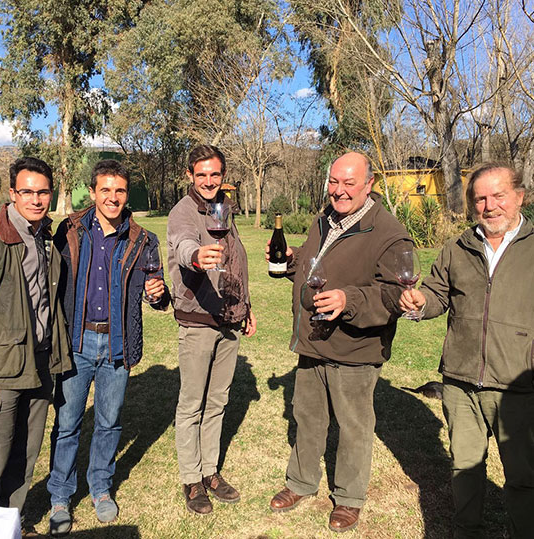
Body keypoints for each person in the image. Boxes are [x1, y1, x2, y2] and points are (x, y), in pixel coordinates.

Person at [267, 151, 411, 533]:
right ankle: (300, 482)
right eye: (334, 181)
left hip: (354, 347)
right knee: (307, 416)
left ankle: (348, 498)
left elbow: (397, 294)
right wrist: (293, 259)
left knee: (353, 426)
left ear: (369, 185)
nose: (339, 190)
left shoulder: (389, 233)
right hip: (314, 340)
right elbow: (317, 264)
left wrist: (350, 300)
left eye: (349, 183)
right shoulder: (325, 219)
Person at [399, 162, 534, 539]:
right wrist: (420, 303)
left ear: (519, 197)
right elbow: (437, 294)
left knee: (524, 477)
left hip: (518, 387)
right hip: (460, 382)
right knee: (465, 469)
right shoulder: (457, 247)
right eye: (480, 198)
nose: (489, 206)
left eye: (498, 196)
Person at [47, 159, 168, 536]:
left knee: (108, 422)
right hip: (77, 342)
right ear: (93, 192)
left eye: (119, 191)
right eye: (105, 190)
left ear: (126, 194)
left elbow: (158, 292)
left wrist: (157, 293)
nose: (112, 197)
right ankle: (60, 497)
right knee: (67, 424)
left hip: (117, 344)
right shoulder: (70, 230)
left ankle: (100, 488)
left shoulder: (143, 240)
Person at [0, 157, 72, 535]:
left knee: (25, 454)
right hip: (1, 369)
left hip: (41, 361)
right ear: (12, 193)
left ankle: (10, 525)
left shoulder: (45, 237)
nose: (36, 200)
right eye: (27, 192)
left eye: (43, 192)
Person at [167, 144, 257, 515]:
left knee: (218, 400)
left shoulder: (224, 209)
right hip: (198, 319)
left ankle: (209, 471)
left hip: (229, 319)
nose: (208, 181)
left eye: (214, 174)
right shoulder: (183, 211)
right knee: (192, 403)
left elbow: (236, 261)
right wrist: (196, 256)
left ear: (223, 175)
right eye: (201, 174)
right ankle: (191, 479)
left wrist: (246, 306)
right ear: (190, 175)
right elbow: (184, 243)